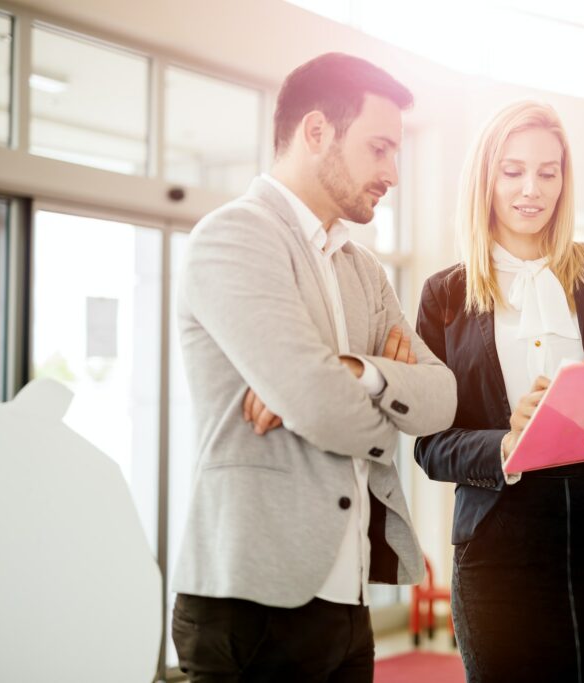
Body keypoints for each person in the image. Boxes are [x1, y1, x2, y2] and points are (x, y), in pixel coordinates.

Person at [171, 52, 457, 682]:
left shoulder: (362, 269)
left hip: (345, 601)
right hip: (250, 602)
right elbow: (324, 410)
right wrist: (350, 398)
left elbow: (442, 399)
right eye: (379, 148)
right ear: (318, 132)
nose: (393, 173)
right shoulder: (235, 237)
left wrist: (358, 370)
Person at [414, 101, 584, 683]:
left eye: (548, 172)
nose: (532, 189)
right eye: (513, 171)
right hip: (502, 542)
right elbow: (430, 445)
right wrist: (504, 444)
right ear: (486, 178)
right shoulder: (444, 296)